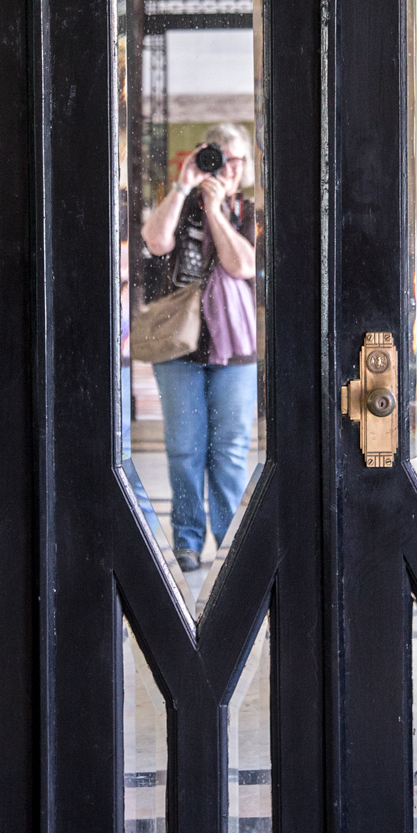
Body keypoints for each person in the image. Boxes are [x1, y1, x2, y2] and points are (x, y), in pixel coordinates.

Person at [141, 123, 258, 573]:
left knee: (230, 449)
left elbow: (241, 264)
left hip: (235, 347)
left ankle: (229, 541)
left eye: (234, 159)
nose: (225, 167)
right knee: (185, 448)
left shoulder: (249, 210)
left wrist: (215, 209)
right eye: (216, 156)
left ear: (245, 166)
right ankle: (187, 540)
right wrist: (183, 187)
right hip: (179, 346)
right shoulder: (182, 201)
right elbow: (155, 241)